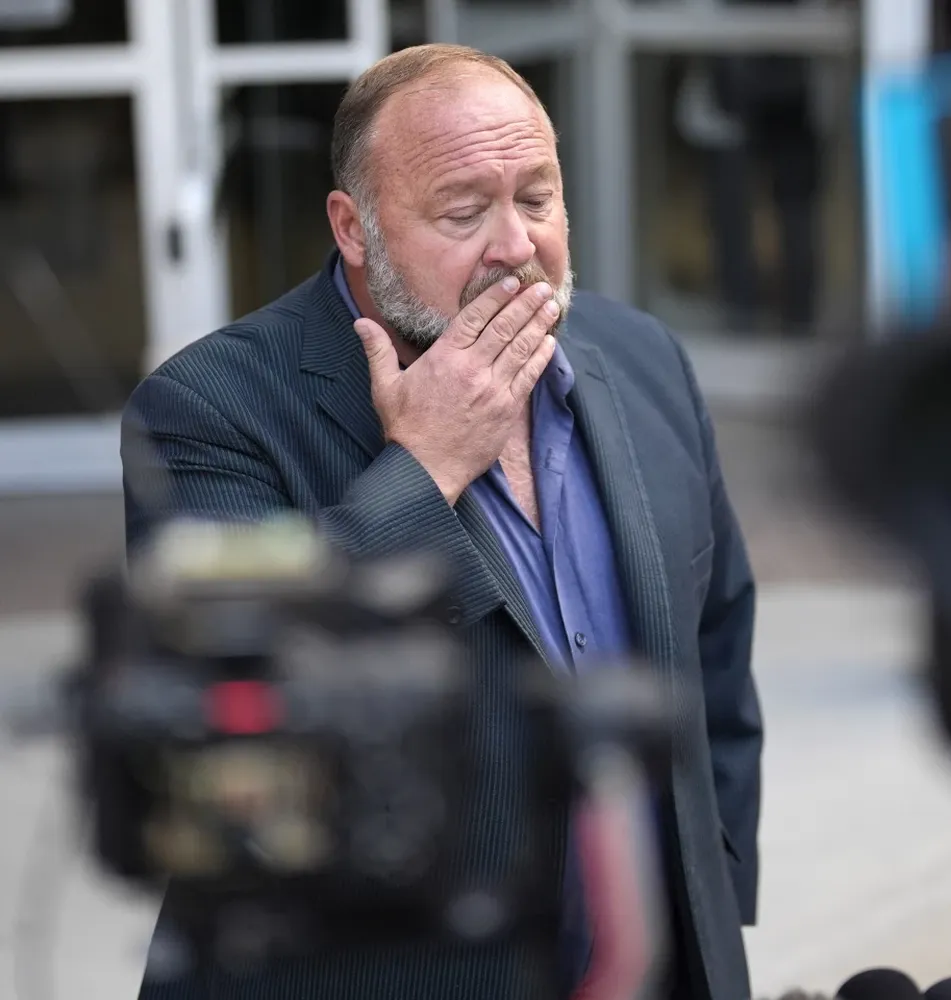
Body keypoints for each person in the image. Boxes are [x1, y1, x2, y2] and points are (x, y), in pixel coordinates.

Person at [121, 43, 762, 1000]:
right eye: (463, 212)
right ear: (354, 225)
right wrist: (424, 470)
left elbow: (714, 645)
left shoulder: (644, 358)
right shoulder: (209, 409)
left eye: (537, 197)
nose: (514, 244)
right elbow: (235, 702)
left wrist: (706, 887)